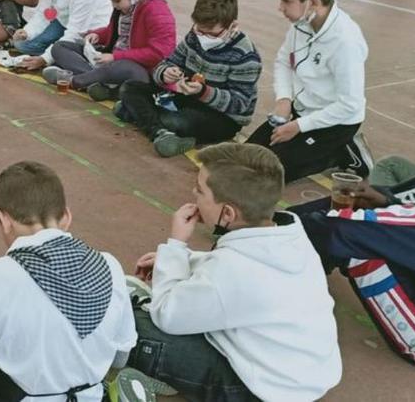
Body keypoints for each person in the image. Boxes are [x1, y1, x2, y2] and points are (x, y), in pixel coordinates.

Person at [119, 143, 342, 402]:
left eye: (200, 190)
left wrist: (177, 246)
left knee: (124, 320)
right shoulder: (289, 234)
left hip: (255, 391)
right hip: (295, 378)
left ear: (227, 213)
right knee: (148, 302)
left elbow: (167, 316)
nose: (193, 193)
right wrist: (186, 262)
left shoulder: (235, 270)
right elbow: (233, 272)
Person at [0, 162, 136, 401]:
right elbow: (120, 358)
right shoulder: (109, 265)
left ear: (3, 220)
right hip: (90, 396)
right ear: (66, 216)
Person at [291, 128, 415, 367]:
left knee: (355, 240)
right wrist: (388, 202)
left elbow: (337, 229)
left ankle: (288, 270)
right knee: (366, 213)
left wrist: (276, 225)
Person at [246, 0, 372, 182]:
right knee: (243, 159)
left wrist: (299, 126)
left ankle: (341, 151)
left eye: (286, 1)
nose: (280, 7)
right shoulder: (302, 23)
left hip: (336, 122)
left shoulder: (346, 42)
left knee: (266, 175)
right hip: (302, 110)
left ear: (312, 2)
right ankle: (317, 147)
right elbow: (284, 61)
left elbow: (349, 104)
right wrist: (284, 100)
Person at [118, 0, 262, 158]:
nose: (203, 37)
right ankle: (157, 130)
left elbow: (240, 104)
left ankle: (139, 115)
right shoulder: (194, 36)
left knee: (174, 121)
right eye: (199, 30)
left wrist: (203, 92)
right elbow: (166, 63)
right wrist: (165, 73)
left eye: (212, 34)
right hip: (188, 98)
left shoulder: (245, 56)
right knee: (130, 87)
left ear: (232, 26)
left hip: (222, 117)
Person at [40, 0, 177, 102]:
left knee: (123, 67)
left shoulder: (156, 10)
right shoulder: (126, 5)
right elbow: (117, 32)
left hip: (140, 71)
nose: (113, 5)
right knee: (60, 46)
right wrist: (98, 35)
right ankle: (97, 83)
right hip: (112, 59)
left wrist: (115, 57)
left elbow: (159, 54)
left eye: (116, 0)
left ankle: (75, 81)